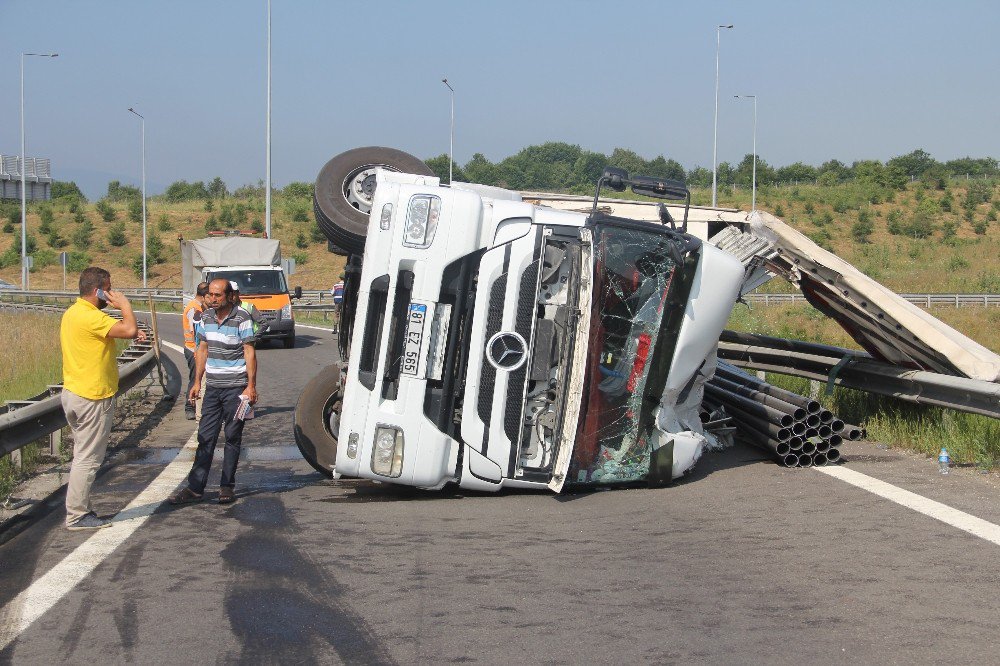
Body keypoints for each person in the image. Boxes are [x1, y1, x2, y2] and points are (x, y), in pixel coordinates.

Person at [60, 267, 147, 530]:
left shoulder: (74, 313)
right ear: (97, 290)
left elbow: (109, 334)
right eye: (108, 288)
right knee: (88, 458)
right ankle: (77, 514)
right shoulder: (91, 318)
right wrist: (125, 305)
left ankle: (77, 509)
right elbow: (129, 329)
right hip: (93, 396)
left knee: (81, 454)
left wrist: (126, 324)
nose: (110, 293)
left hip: (74, 393)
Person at [169, 278, 257, 505]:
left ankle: (227, 486)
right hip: (213, 388)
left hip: (236, 389)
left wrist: (251, 386)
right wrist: (197, 382)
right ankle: (195, 488)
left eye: (218, 295)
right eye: (210, 295)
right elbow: (202, 350)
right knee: (205, 436)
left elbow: (249, 352)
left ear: (229, 296)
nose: (213, 299)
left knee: (232, 437)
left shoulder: (242, 318)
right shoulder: (205, 318)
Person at [181, 282, 209, 420]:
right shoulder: (194, 309)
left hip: (194, 349)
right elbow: (195, 333)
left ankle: (197, 406)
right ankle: (189, 407)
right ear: (204, 295)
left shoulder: (198, 307)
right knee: (195, 379)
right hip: (193, 350)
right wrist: (197, 353)